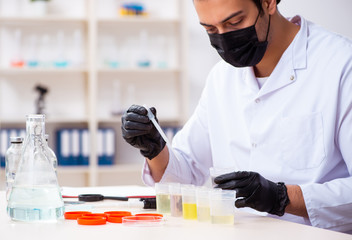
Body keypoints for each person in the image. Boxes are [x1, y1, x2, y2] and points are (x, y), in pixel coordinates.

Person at [121, 0, 352, 233]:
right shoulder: (221, 78)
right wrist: (155, 149)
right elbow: (186, 180)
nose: (224, 38)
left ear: (268, 3)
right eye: (210, 30)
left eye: (234, 22)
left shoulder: (340, 64)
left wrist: (281, 197)